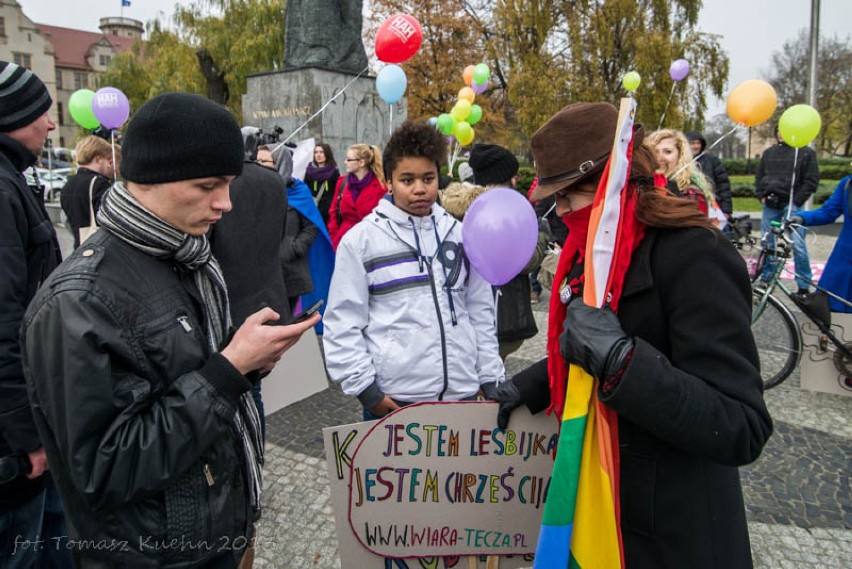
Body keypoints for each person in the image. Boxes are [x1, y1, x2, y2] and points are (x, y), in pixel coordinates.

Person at [21, 92, 319, 568]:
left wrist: (249, 361)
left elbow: (184, 378)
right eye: (207, 186)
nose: (225, 203)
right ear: (151, 177)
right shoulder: (77, 302)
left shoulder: (185, 256)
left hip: (212, 536)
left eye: (228, 184)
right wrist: (230, 367)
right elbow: (105, 467)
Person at [489, 102, 772, 568]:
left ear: (609, 185)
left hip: (669, 531)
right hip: (597, 504)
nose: (559, 213)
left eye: (567, 198)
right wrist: (531, 384)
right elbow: (587, 347)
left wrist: (622, 361)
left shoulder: (696, 253)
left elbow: (742, 426)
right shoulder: (591, 250)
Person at [323, 121, 504, 420]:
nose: (420, 189)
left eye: (428, 178)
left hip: (462, 397)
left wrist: (489, 375)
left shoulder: (461, 236)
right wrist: (368, 391)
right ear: (389, 182)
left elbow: (479, 311)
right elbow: (343, 322)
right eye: (407, 180)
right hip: (395, 400)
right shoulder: (362, 241)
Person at [0, 60, 73, 569]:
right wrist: (28, 438)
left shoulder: (11, 181)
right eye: (43, 113)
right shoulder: (3, 192)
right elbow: (4, 322)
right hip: (16, 450)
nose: (51, 124)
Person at [209, 138, 291, 441]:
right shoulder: (273, 180)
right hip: (269, 294)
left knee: (237, 391)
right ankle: (255, 452)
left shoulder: (219, 186)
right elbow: (279, 237)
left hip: (231, 303)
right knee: (253, 389)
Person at [466, 143, 548, 360]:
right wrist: (541, 235)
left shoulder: (463, 208)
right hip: (503, 315)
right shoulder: (504, 212)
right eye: (513, 177)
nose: (516, 181)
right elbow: (524, 262)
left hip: (468, 316)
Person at [756, 127, 820, 296]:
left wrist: (797, 201)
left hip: (792, 205)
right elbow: (760, 176)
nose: (781, 134)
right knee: (768, 242)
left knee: (797, 244)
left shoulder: (806, 153)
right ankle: (767, 277)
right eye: (779, 130)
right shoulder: (769, 153)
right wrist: (761, 195)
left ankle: (804, 283)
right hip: (770, 203)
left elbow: (811, 180)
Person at [792, 176, 851, 313]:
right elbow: (829, 211)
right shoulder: (848, 184)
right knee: (833, 311)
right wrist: (802, 218)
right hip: (844, 261)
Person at [60, 135, 120, 248]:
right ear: (98, 159)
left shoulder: (68, 184)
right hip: (100, 248)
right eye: (108, 161)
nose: (110, 167)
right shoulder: (99, 184)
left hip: (79, 247)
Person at [327, 143, 386, 249]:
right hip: (344, 241)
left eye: (349, 160)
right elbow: (334, 212)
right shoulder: (342, 182)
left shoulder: (381, 186)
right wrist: (334, 237)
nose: (345, 162)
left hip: (371, 243)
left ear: (361, 162)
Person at [648, 128, 716, 215]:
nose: (659, 158)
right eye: (655, 152)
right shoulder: (644, 186)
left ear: (680, 156)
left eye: (667, 152)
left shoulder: (691, 194)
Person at [685, 130, 733, 220]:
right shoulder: (680, 163)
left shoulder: (712, 161)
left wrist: (726, 210)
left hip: (712, 207)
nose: (696, 146)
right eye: (692, 143)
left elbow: (724, 185)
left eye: (698, 143)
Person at [303, 142, 340, 227]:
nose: (318, 155)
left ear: (327, 154)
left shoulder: (334, 171)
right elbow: (306, 190)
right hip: (314, 209)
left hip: (329, 211)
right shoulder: (309, 171)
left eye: (321, 152)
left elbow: (337, 191)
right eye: (316, 152)